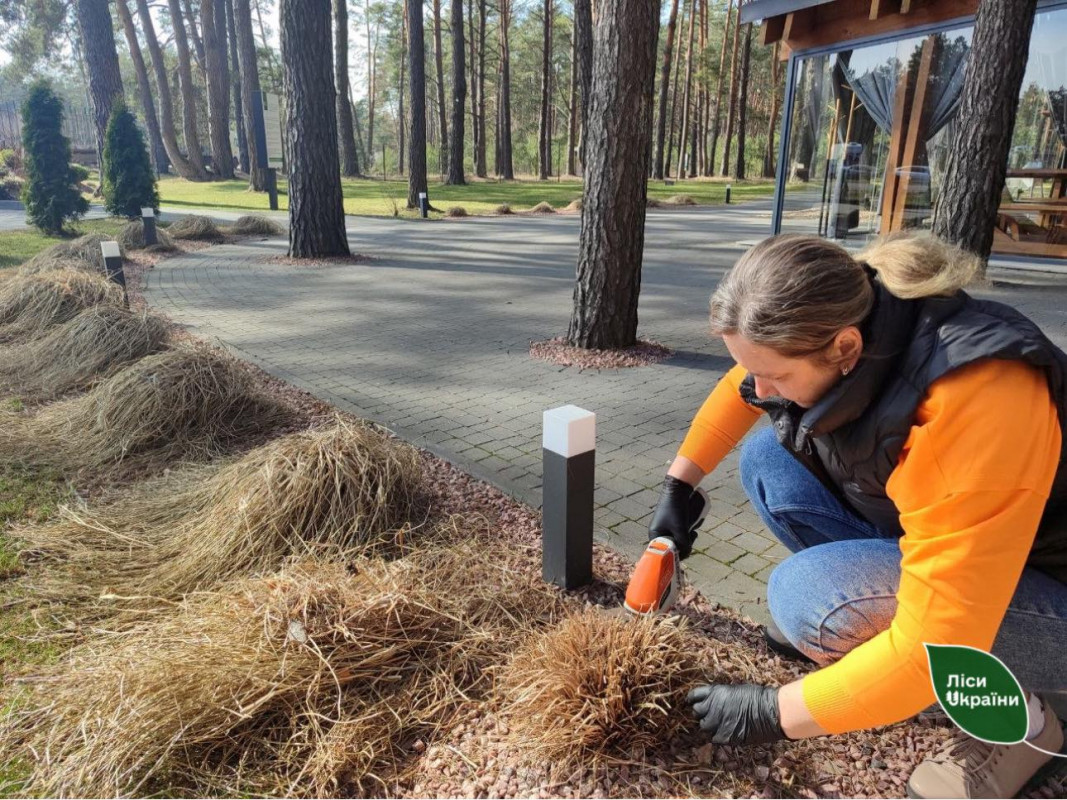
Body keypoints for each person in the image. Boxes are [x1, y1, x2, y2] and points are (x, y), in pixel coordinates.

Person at [646, 233, 1067, 798]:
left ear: (844, 349)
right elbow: (747, 379)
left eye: (776, 375)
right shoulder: (859, 306)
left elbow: (935, 646)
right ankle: (871, 642)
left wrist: (776, 713)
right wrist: (680, 484)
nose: (759, 389)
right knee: (770, 457)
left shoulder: (977, 400)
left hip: (1053, 590)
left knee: (810, 598)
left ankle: (1025, 727)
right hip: (992, 543)